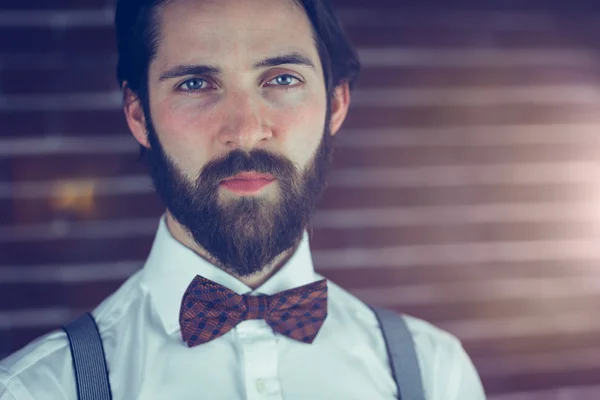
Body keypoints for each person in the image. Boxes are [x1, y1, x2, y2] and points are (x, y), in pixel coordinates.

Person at [0, 0, 486, 398]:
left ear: (335, 104)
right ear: (138, 115)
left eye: (281, 79)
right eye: (195, 84)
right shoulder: (34, 390)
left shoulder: (435, 372)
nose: (246, 132)